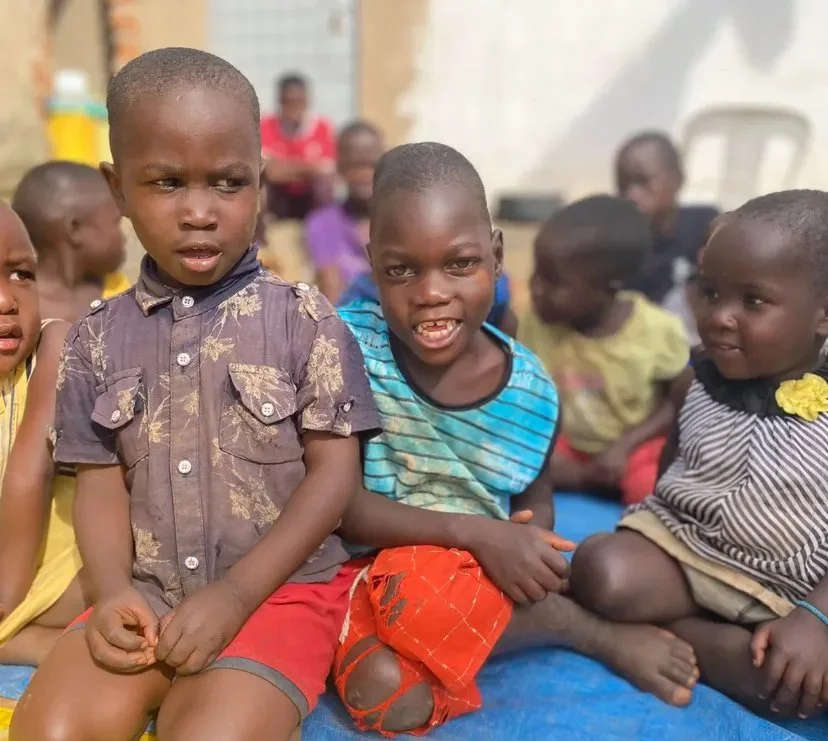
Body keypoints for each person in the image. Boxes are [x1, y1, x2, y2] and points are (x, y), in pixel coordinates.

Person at [10, 47, 380, 741]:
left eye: (229, 182)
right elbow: (100, 483)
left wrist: (238, 594)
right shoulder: (95, 339)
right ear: (117, 188)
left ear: (262, 185)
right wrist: (114, 587)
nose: (200, 211)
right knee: (49, 731)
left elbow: (335, 477)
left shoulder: (308, 322)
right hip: (142, 593)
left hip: (277, 595)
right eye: (168, 182)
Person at [332, 142, 701, 737]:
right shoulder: (344, 349)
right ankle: (570, 626)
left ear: (497, 255)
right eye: (402, 269)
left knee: (427, 616)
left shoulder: (529, 391)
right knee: (385, 682)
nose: (431, 292)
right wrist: (478, 532)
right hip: (360, 566)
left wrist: (527, 540)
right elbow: (340, 505)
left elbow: (535, 493)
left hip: (468, 577)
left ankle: (577, 627)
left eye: (460, 264)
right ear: (373, 263)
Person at [570, 190, 828, 720]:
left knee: (793, 685)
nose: (720, 317)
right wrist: (645, 531)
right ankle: (693, 633)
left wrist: (815, 618)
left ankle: (680, 639)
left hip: (791, 591)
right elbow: (670, 469)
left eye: (752, 301)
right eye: (711, 294)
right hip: (687, 557)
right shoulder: (698, 381)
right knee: (598, 568)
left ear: (823, 315)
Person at [519, 196, 690, 505]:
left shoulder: (657, 331)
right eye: (536, 273)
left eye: (552, 281)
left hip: (633, 447)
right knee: (521, 464)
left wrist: (625, 446)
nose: (535, 288)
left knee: (650, 488)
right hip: (568, 445)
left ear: (608, 287)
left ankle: (608, 480)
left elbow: (676, 404)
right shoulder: (533, 326)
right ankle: (591, 479)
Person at [0, 203, 88, 666]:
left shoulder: (53, 346)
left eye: (20, 274)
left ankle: (15, 632)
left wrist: (5, 599)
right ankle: (20, 642)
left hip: (49, 551)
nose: (6, 301)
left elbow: (27, 475)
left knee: (112, 575)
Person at [615, 131, 718, 342]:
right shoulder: (621, 247)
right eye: (622, 184)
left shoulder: (706, 225)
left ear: (677, 180)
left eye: (642, 181)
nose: (631, 194)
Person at [11, 160, 128, 323]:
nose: (123, 237)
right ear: (75, 230)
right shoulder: (16, 306)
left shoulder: (121, 290)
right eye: (116, 222)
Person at [305, 120, 383, 304]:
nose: (364, 175)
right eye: (354, 166)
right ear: (340, 168)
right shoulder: (322, 225)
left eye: (370, 166)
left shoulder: (402, 221)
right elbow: (333, 295)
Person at [261, 73, 336, 221]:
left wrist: (286, 167)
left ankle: (322, 223)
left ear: (307, 101)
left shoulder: (323, 128)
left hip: (310, 198)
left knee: (322, 185)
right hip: (278, 199)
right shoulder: (265, 126)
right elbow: (268, 171)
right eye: (288, 102)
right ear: (280, 102)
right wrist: (308, 169)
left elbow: (327, 171)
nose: (294, 108)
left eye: (299, 102)